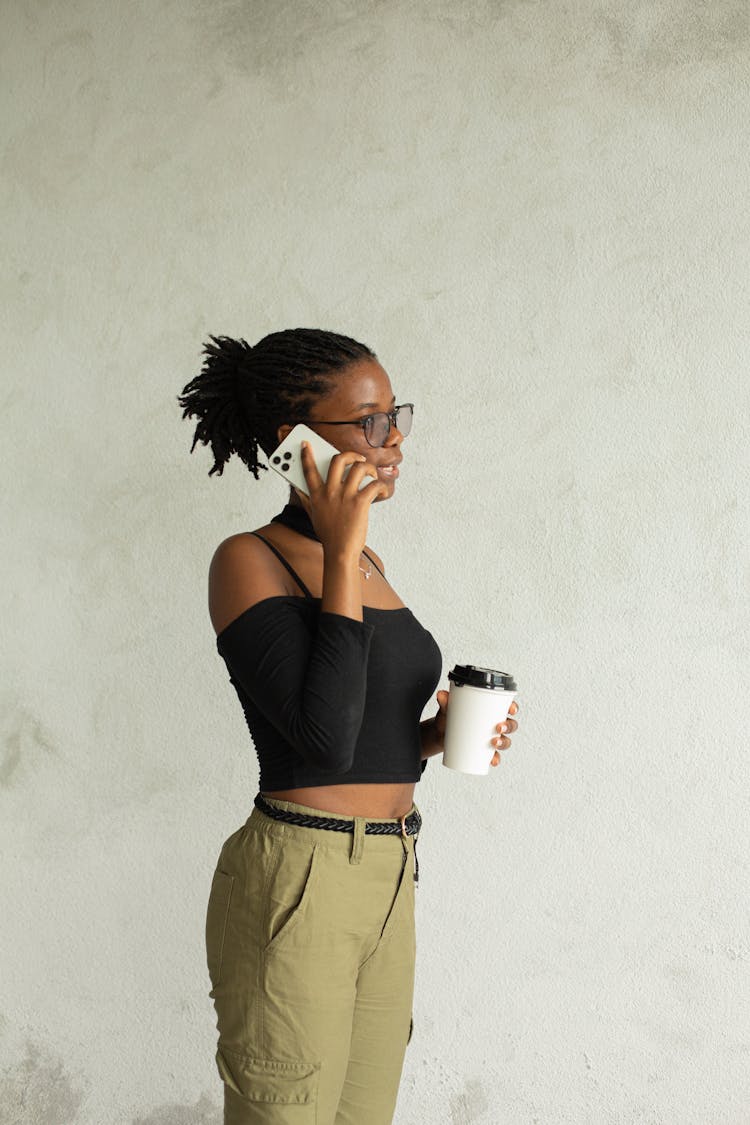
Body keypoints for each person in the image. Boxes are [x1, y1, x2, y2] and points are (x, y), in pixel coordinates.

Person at [177, 328, 519, 1125]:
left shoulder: (366, 566)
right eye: (368, 422)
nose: (393, 439)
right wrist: (342, 546)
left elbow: (357, 731)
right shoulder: (249, 559)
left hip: (390, 871)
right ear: (293, 445)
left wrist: (433, 739)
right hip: (302, 877)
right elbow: (321, 742)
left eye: (394, 415)